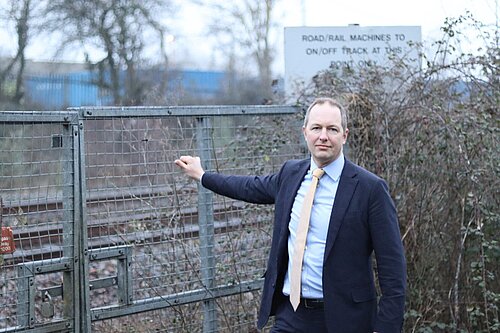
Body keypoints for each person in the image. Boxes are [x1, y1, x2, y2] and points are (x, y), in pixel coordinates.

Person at [175, 97, 406, 333]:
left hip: (346, 319)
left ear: (344, 135)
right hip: (291, 316)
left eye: (332, 129)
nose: (323, 136)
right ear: (305, 132)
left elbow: (392, 268)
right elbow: (248, 186)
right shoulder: (291, 174)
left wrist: (386, 327)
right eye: (316, 128)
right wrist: (202, 175)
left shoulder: (370, 189)